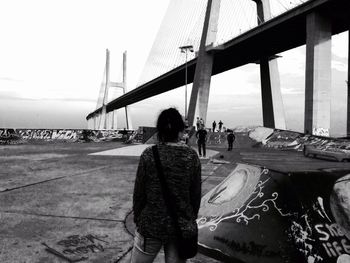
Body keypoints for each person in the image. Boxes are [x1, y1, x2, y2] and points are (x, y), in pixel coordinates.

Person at [131, 108, 201, 263]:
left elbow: (139, 193)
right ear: (180, 131)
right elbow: (195, 195)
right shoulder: (191, 156)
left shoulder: (149, 155)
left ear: (159, 130)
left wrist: (138, 218)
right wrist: (189, 218)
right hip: (180, 228)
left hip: (151, 225)